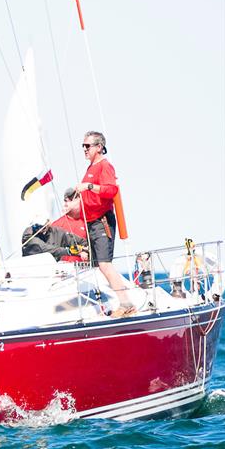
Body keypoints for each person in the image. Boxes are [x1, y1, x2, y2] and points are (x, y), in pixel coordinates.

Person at [74, 131, 135, 317]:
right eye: (83, 146)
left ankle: (126, 304)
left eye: (88, 146)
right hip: (91, 223)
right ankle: (102, 304)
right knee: (93, 265)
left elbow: (111, 190)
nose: (84, 149)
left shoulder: (104, 166)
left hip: (102, 222)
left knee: (105, 264)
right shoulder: (91, 168)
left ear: (99, 147)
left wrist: (89, 187)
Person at [21, 219, 87, 262]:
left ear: (48, 223)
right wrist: (70, 251)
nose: (40, 230)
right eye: (36, 227)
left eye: (42, 227)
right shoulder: (28, 236)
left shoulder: (56, 231)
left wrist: (85, 249)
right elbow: (46, 249)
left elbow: (74, 240)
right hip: (34, 269)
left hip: (54, 269)